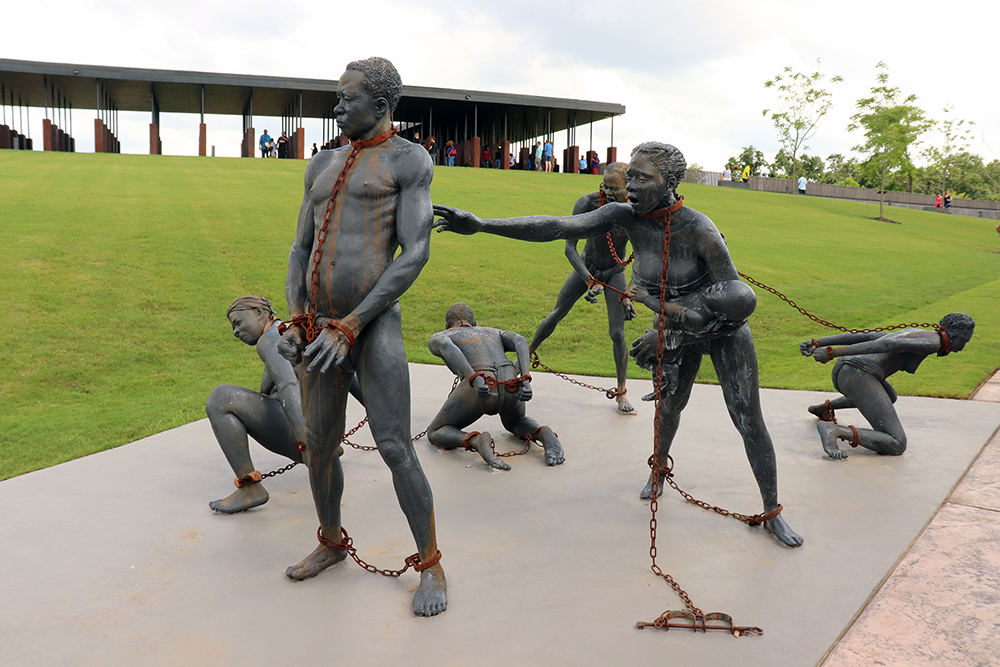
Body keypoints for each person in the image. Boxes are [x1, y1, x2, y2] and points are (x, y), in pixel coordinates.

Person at [433, 141, 802, 548]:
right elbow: (557, 228)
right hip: (675, 329)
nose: (632, 187)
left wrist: (668, 329)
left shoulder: (700, 230)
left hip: (722, 330)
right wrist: (483, 224)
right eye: (631, 177)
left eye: (644, 178)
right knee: (670, 409)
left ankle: (772, 511)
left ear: (671, 183)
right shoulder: (623, 217)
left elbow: (734, 300)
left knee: (748, 420)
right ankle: (658, 469)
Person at [278, 56, 447, 616]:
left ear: (381, 103)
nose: (337, 105)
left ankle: (430, 563)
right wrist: (300, 318)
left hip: (371, 326)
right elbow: (300, 248)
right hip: (318, 328)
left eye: (347, 97)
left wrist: (352, 325)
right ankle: (330, 540)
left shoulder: (409, 160)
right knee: (320, 447)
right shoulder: (322, 162)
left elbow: (415, 252)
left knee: (395, 444)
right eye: (337, 95)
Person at [529, 162, 637, 414]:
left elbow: (642, 257)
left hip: (615, 272)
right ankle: (526, 357)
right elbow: (570, 247)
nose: (608, 194)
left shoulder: (635, 211)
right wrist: (589, 279)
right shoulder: (587, 204)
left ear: (628, 187)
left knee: (617, 333)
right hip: (586, 266)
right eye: (605, 187)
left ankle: (621, 391)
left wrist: (628, 294)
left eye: (615, 189)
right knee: (557, 312)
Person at [801, 314, 975, 460]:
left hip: (846, 370)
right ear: (953, 337)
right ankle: (835, 430)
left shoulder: (920, 333)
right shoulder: (932, 343)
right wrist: (832, 352)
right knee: (896, 442)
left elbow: (868, 335)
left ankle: (826, 408)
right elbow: (886, 345)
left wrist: (818, 342)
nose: (963, 346)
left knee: (890, 396)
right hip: (858, 374)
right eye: (965, 341)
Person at [427, 302, 565, 469]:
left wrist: (474, 378)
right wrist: (525, 379)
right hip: (510, 379)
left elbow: (446, 345)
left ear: (447, 325)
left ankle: (475, 440)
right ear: (474, 323)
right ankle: (542, 432)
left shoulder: (442, 335)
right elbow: (520, 340)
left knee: (435, 432)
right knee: (515, 421)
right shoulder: (493, 332)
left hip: (481, 380)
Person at [207, 296, 307, 513]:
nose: (235, 331)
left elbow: (288, 384)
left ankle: (250, 487)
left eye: (238, 323)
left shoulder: (271, 339)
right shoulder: (292, 332)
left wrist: (306, 440)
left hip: (306, 439)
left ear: (260, 313)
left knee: (220, 398)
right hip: (326, 433)